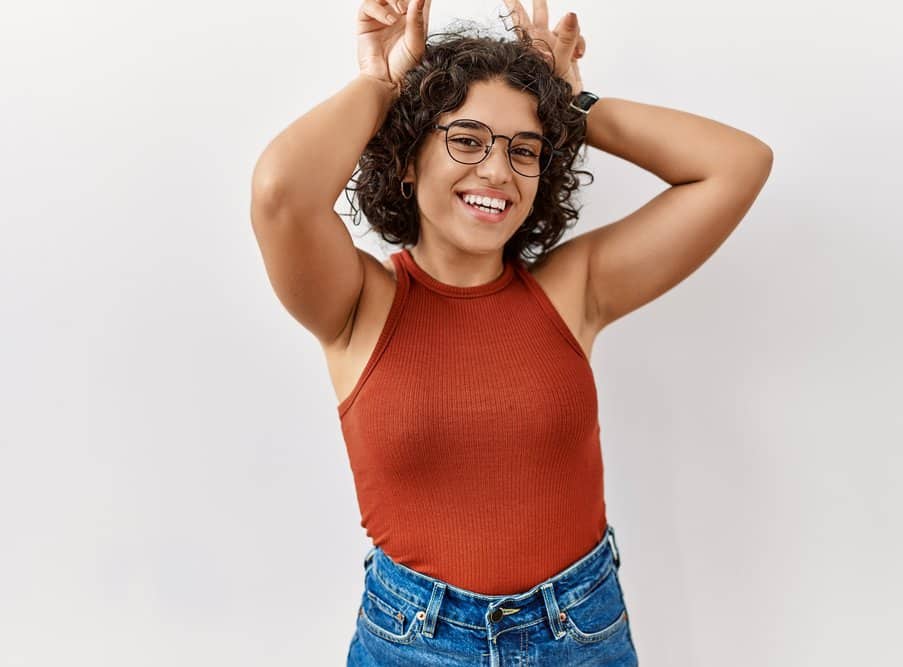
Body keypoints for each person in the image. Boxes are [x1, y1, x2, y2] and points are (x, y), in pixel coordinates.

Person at [250, 0, 773, 663]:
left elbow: (737, 164)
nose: (497, 171)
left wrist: (572, 102)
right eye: (466, 140)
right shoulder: (357, 303)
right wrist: (381, 87)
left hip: (579, 631)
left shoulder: (573, 289)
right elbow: (280, 193)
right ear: (408, 160)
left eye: (523, 149)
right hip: (416, 642)